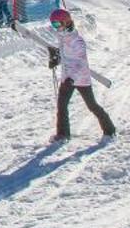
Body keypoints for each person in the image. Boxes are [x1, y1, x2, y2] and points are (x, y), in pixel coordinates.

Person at [46, 8, 114, 141]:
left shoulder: (77, 41)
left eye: (57, 24)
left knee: (92, 105)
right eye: (53, 24)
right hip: (67, 78)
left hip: (80, 78)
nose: (56, 27)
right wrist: (56, 59)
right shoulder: (63, 36)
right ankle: (63, 134)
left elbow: (80, 63)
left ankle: (110, 130)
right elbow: (66, 57)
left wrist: (72, 78)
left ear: (65, 22)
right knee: (61, 105)